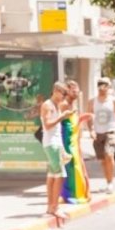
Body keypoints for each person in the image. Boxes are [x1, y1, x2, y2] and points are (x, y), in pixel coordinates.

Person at [40, 82, 75, 221]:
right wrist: (62, 117)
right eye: (63, 93)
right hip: (51, 144)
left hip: (55, 144)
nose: (64, 97)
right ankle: (55, 207)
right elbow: (48, 125)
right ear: (55, 90)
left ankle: (51, 206)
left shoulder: (56, 105)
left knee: (52, 175)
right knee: (60, 175)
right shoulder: (48, 105)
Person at [85, 78, 115, 194]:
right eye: (100, 85)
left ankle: (110, 183)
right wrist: (91, 130)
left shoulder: (113, 101)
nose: (102, 87)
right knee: (102, 160)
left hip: (111, 131)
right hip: (98, 133)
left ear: (109, 86)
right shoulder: (92, 101)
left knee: (109, 155)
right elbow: (89, 117)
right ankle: (107, 181)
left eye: (105, 85)